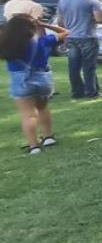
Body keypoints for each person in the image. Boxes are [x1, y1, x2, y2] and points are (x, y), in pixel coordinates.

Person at [1, 15, 69, 155]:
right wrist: (43, 25)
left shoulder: (7, 45)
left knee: (28, 115)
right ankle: (48, 137)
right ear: (32, 27)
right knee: (43, 108)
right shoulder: (42, 41)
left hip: (21, 81)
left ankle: (34, 146)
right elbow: (66, 32)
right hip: (43, 79)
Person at [56, 0, 102, 99]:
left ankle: (77, 93)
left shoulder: (63, 1)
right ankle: (92, 93)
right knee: (89, 66)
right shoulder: (91, 0)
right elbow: (99, 19)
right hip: (87, 36)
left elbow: (60, 22)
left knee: (73, 67)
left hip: (71, 37)